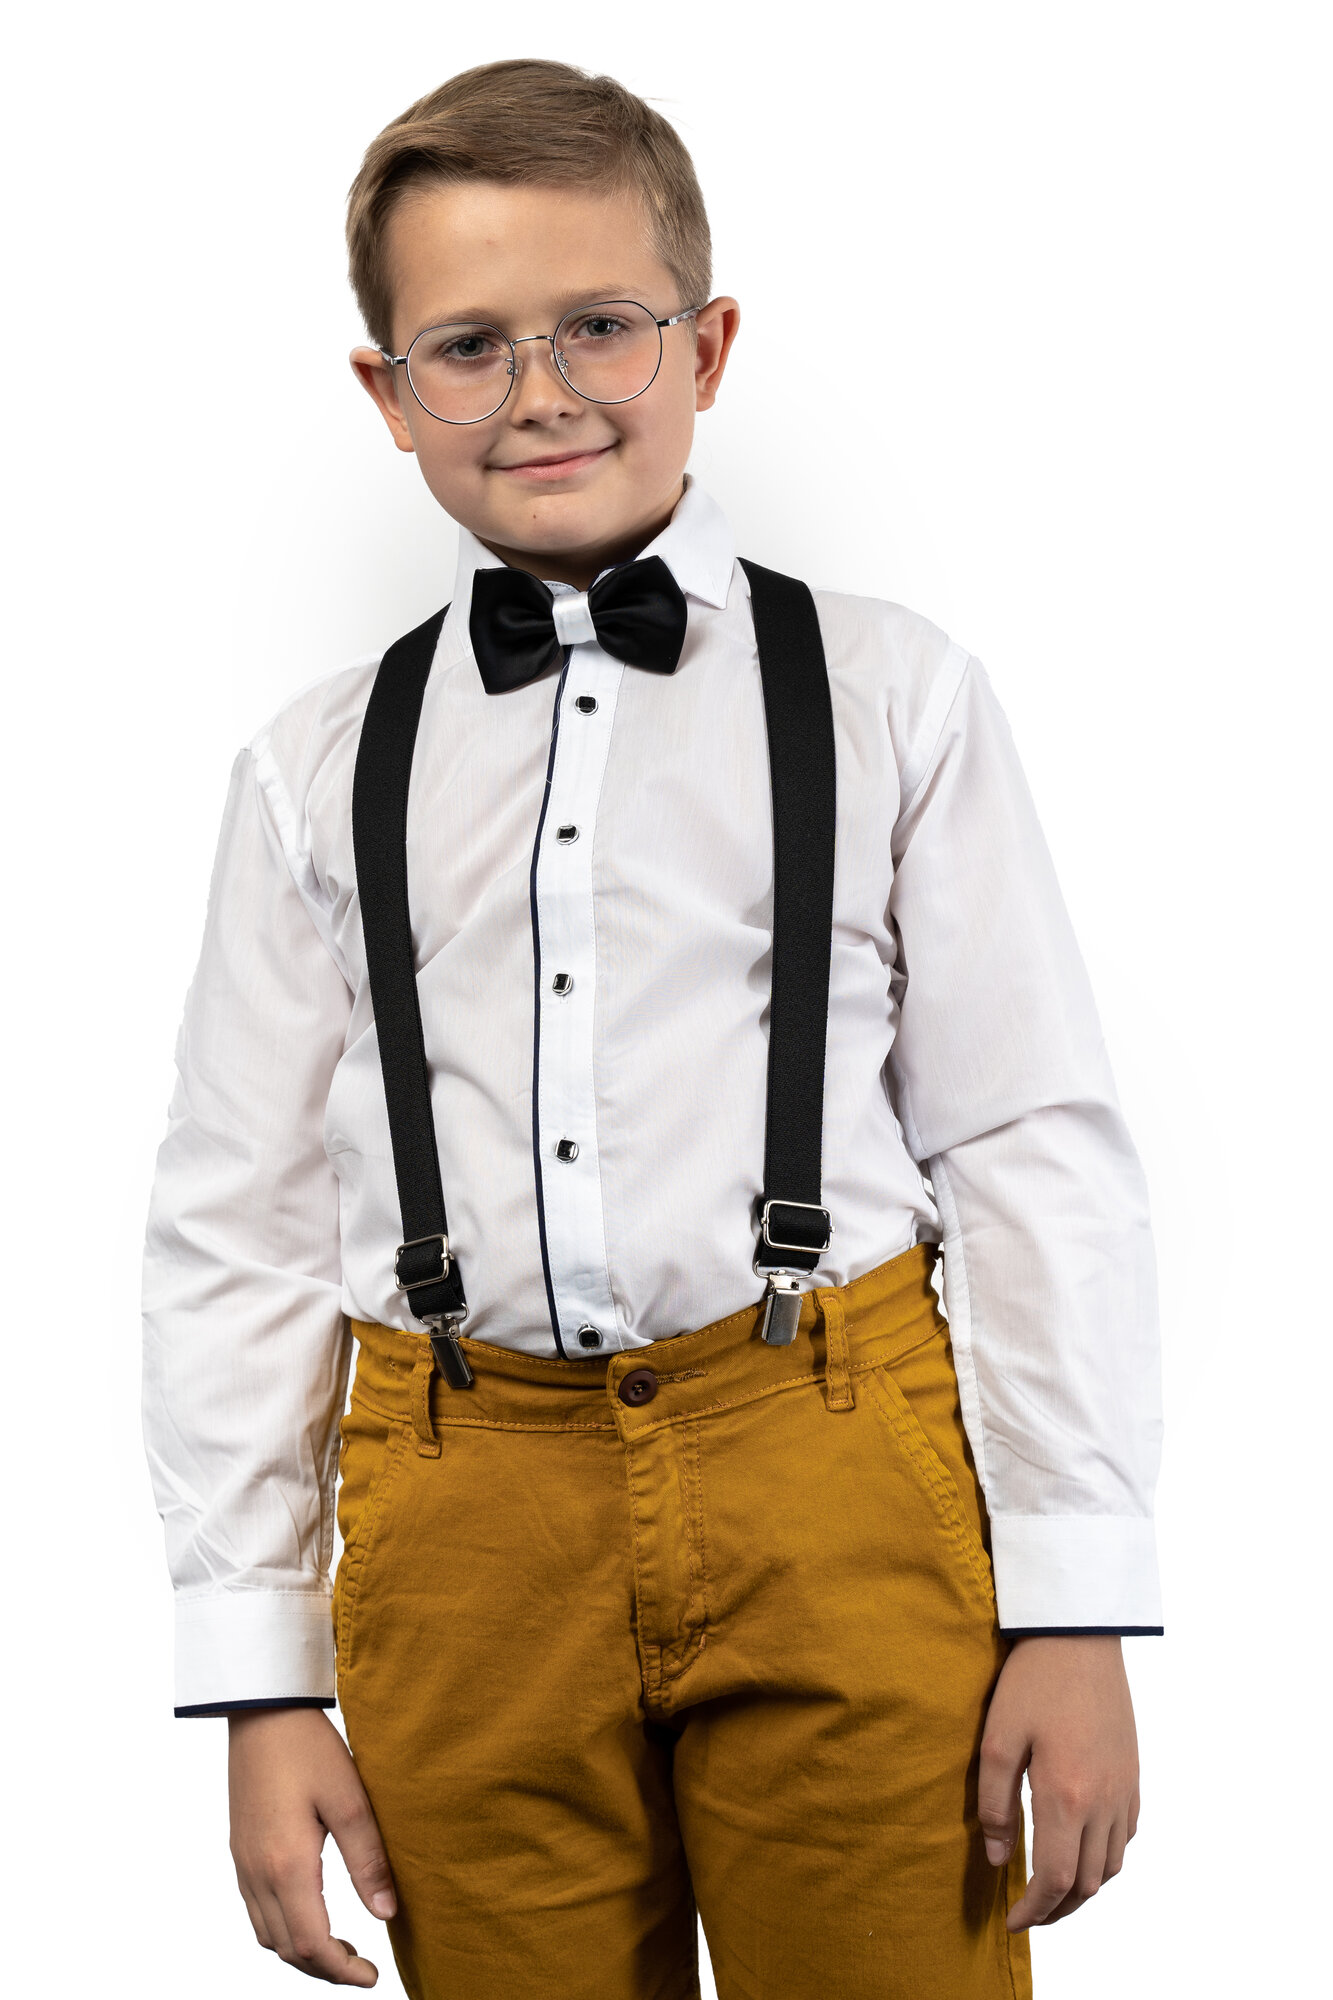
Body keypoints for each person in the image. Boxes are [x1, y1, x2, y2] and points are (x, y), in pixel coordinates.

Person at [141, 56, 1163, 2000]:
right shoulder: (312, 770)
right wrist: (258, 1679)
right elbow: (237, 1225)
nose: (539, 392)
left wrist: (1076, 1604)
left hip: (834, 1462)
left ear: (705, 343)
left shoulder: (889, 694)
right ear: (387, 392)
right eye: (468, 346)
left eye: (599, 325)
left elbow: (1026, 1141)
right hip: (458, 1508)